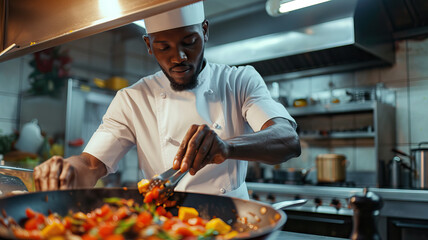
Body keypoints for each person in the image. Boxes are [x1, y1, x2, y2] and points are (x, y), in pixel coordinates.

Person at [33, 1, 301, 199]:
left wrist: (226, 148)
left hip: (235, 222)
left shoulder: (238, 81)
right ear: (149, 45)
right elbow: (91, 165)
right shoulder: (132, 99)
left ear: (205, 31)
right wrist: (66, 169)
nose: (179, 57)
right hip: (165, 224)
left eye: (190, 42)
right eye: (164, 47)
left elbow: (287, 139)